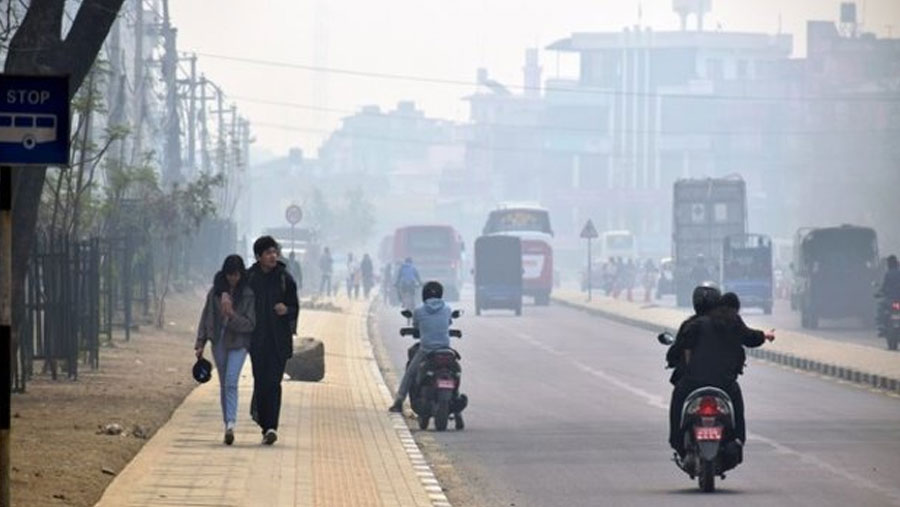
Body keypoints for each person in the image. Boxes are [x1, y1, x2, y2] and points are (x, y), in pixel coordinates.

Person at [195, 255, 255, 445]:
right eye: (230, 275)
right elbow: (206, 317)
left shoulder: (248, 294)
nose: (233, 279)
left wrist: (232, 316)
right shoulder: (215, 292)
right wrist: (200, 342)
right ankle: (226, 423)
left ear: (241, 274)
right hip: (218, 341)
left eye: (236, 275)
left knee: (231, 381)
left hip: (239, 342)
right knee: (223, 384)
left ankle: (231, 424)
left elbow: (251, 323)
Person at [246, 236, 300, 445]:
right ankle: (263, 422)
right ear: (259, 256)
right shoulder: (249, 278)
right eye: (268, 252)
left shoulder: (285, 278)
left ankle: (271, 426)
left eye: (274, 252)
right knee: (260, 381)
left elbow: (295, 306)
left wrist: (287, 310)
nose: (273, 256)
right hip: (256, 340)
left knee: (274, 382)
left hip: (279, 340)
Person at [388, 281, 453, 413]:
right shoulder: (447, 309)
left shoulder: (418, 310)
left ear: (424, 294)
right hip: (445, 348)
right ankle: (456, 410)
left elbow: (416, 327)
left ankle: (399, 402)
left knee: (410, 373)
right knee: (455, 371)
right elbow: (448, 323)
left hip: (426, 349)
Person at [877, 255, 900, 335]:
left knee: (880, 307)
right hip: (897, 299)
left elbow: (884, 286)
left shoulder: (888, 274)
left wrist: (878, 293)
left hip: (890, 299)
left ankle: (881, 325)